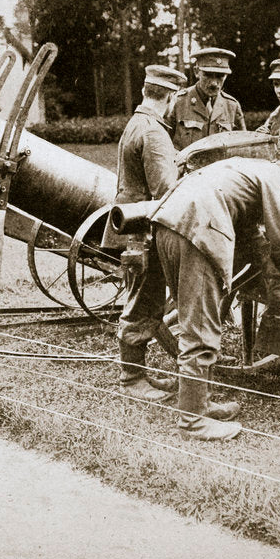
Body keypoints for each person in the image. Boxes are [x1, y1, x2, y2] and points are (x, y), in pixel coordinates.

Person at [151, 155, 280, 440]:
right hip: (199, 229)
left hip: (168, 223)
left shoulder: (243, 170)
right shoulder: (278, 177)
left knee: (193, 319)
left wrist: (271, 280)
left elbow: (250, 237)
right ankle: (193, 421)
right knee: (201, 327)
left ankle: (202, 404)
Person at [103, 65, 186, 403]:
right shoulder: (153, 131)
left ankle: (137, 375)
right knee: (143, 302)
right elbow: (166, 189)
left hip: (135, 229)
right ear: (170, 97)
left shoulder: (136, 123)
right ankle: (131, 379)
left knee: (141, 299)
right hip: (145, 233)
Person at [165, 47, 245, 150]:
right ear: (196, 72)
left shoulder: (232, 106)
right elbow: (164, 145)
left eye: (220, 76)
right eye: (208, 75)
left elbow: (242, 146)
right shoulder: (178, 102)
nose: (214, 83)